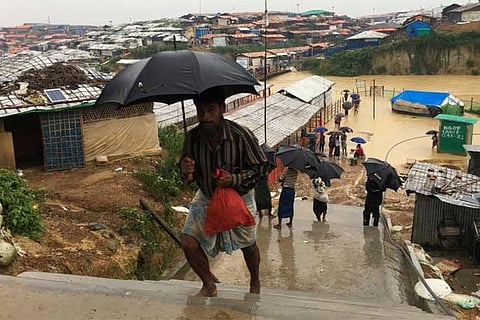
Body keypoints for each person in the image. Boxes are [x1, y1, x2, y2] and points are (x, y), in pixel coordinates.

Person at [179, 87, 268, 297]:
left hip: (239, 196)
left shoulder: (241, 135)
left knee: (248, 244)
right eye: (200, 111)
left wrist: (233, 179)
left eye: (211, 110)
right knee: (188, 242)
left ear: (222, 109)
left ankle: (255, 283)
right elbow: (185, 178)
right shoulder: (192, 138)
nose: (205, 117)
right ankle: (208, 284)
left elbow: (262, 168)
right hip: (207, 195)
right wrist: (185, 170)